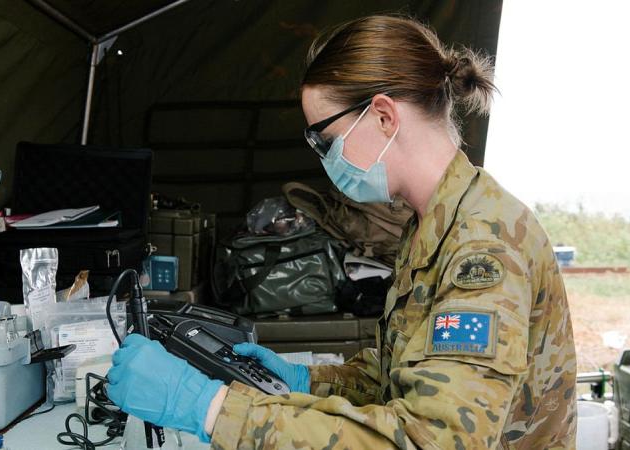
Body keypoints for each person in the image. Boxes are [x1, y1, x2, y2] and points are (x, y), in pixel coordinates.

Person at [107, 15, 577, 449]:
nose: (323, 157)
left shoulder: (483, 247)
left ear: (384, 116)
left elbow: (432, 439)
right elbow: (405, 372)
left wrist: (210, 409)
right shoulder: (434, 223)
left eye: (324, 139)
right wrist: (307, 381)